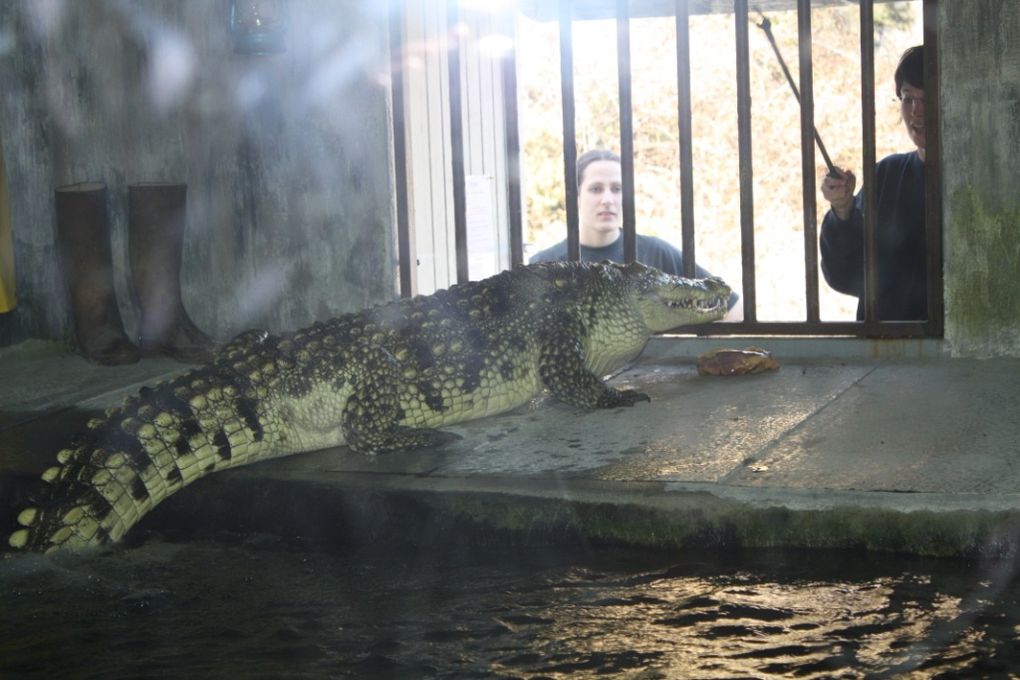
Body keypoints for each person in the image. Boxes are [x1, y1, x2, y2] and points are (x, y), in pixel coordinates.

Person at [529, 149, 741, 319]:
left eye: (617, 189)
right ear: (575, 196)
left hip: (649, 373)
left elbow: (732, 305)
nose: (608, 199)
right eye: (596, 189)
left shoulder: (656, 253)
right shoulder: (544, 265)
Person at [819, 45, 928, 321]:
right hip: (883, 349)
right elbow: (845, 277)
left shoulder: (979, 179)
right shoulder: (885, 175)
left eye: (929, 99)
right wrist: (842, 210)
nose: (916, 112)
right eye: (908, 98)